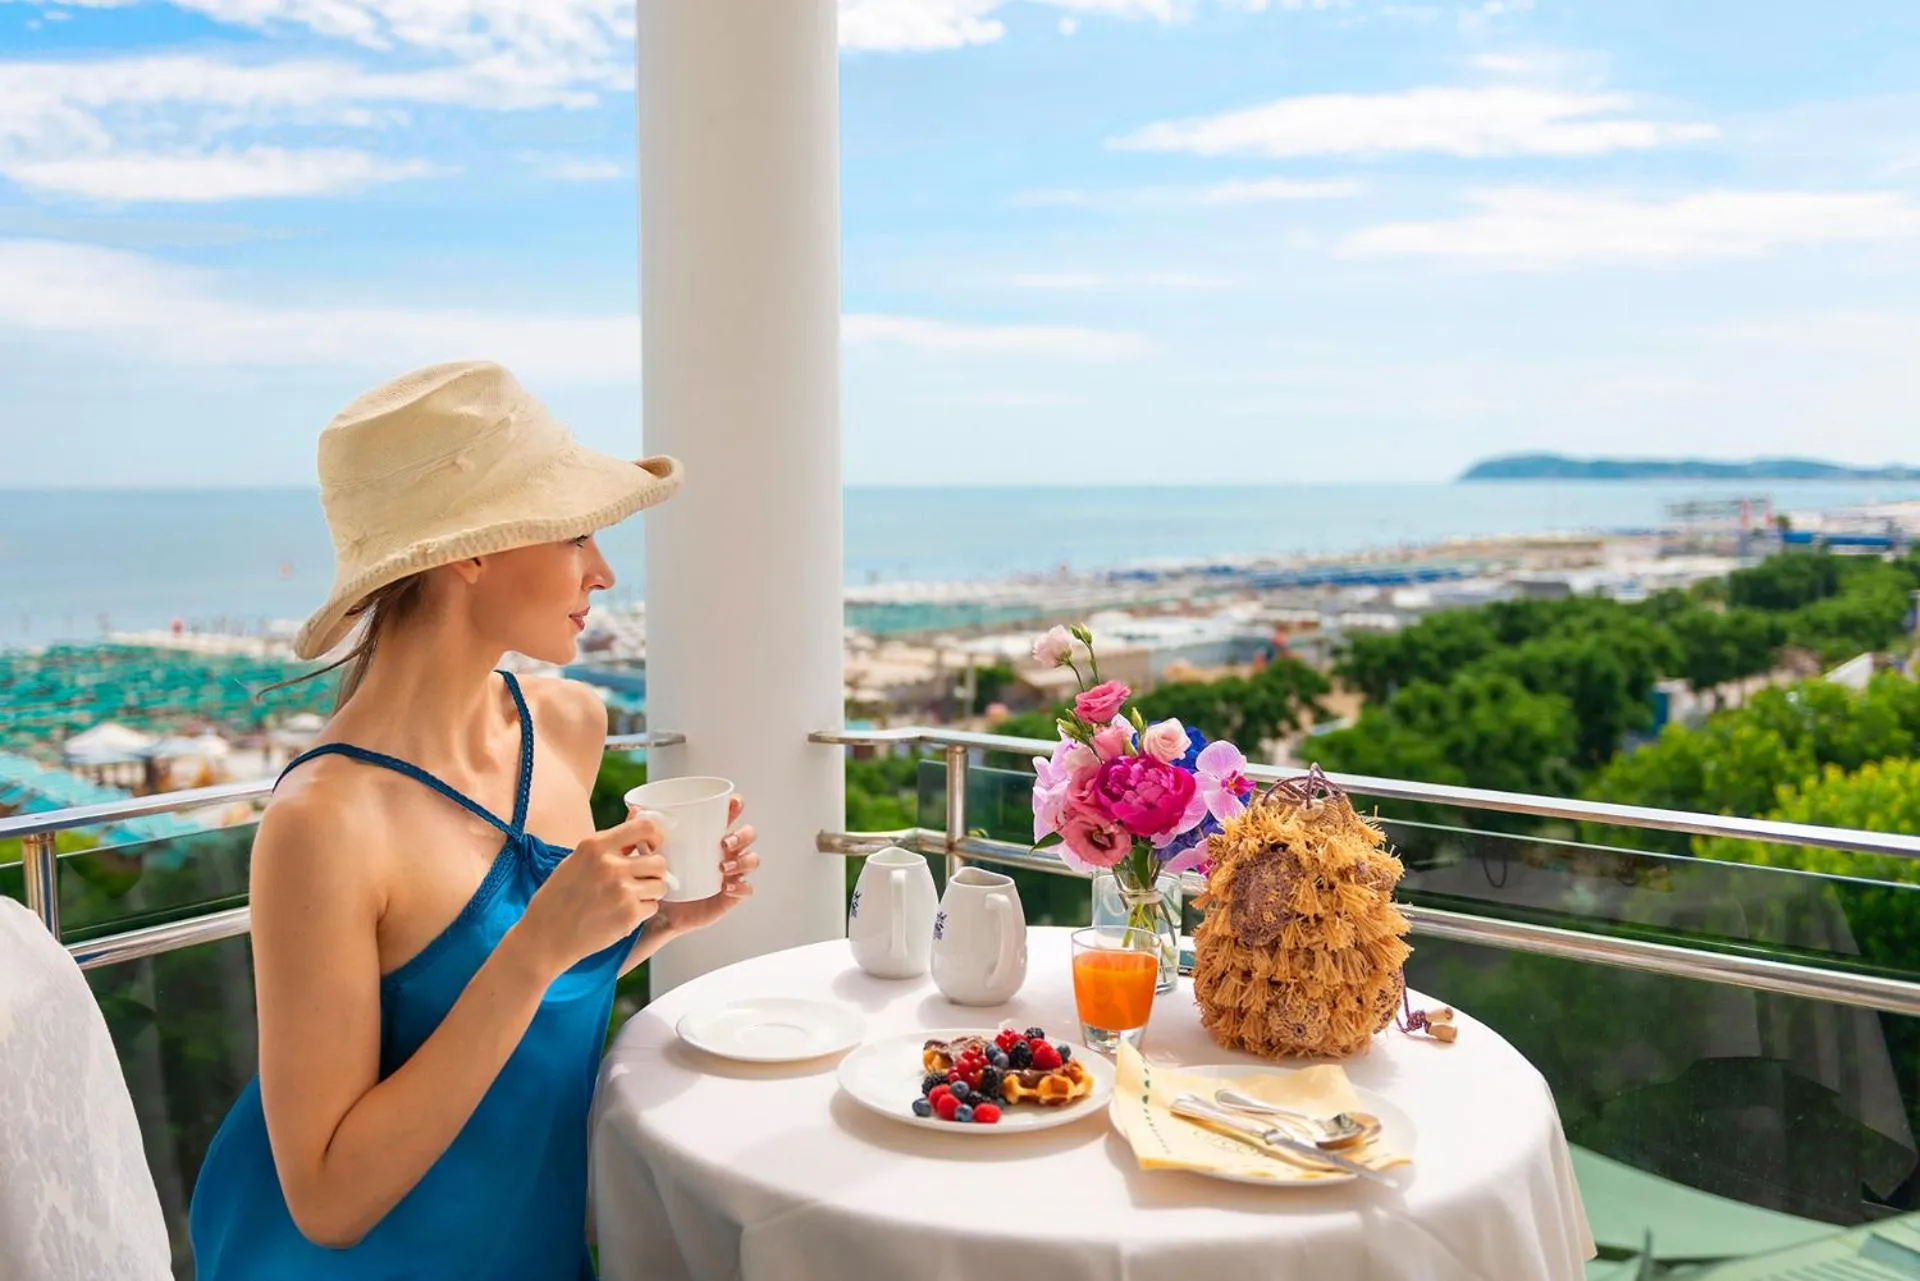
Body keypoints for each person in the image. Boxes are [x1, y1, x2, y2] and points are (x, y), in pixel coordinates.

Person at [189, 362, 759, 1279]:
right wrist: (538, 945)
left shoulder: (567, 725)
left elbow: (498, 1001)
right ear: (473, 550)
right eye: (576, 534)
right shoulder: (323, 822)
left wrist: (648, 926)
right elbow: (328, 1200)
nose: (604, 572)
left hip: (530, 1243)